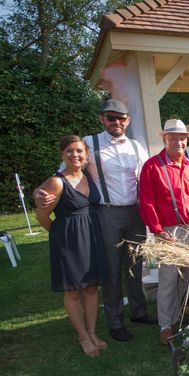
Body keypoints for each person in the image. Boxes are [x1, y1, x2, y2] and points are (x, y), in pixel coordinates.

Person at [35, 99, 154, 342]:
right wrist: (39, 192)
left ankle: (139, 311)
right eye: (111, 117)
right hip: (106, 212)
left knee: (135, 264)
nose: (116, 122)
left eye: (121, 118)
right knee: (110, 269)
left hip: (135, 211)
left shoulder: (136, 146)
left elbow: (147, 176)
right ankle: (115, 321)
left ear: (128, 120)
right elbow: (65, 173)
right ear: (102, 118)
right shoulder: (89, 143)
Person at [35, 136, 108, 357]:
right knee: (73, 289)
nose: (74, 155)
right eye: (69, 151)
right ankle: (83, 336)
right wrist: (60, 236)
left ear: (86, 154)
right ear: (62, 154)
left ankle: (93, 331)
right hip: (68, 241)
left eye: (79, 151)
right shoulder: (57, 182)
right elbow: (42, 215)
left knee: (92, 287)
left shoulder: (88, 176)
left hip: (92, 236)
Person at [138, 119, 189, 345]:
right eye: (174, 138)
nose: (178, 142)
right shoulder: (152, 167)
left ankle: (182, 312)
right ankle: (165, 325)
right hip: (168, 232)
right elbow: (146, 202)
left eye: (182, 138)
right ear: (165, 139)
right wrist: (158, 231)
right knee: (168, 278)